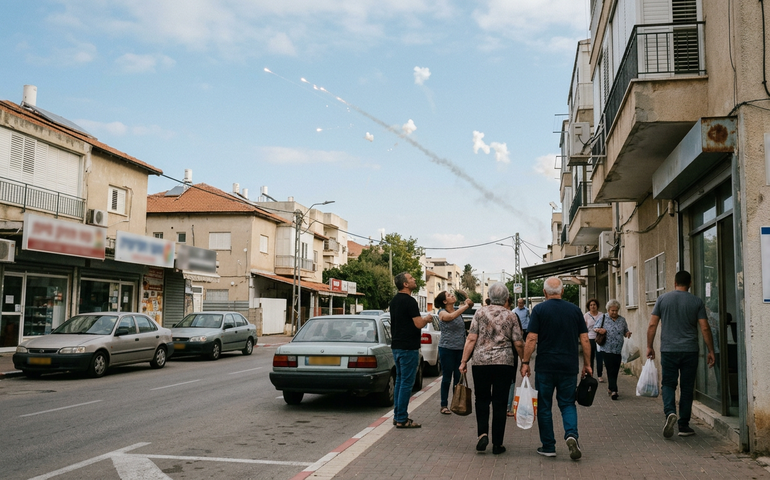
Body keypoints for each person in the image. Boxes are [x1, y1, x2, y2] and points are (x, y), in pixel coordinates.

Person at [521, 276, 591, 460]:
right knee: (567, 403)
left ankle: (548, 446)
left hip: (545, 366)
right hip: (569, 366)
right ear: (562, 291)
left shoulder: (539, 310)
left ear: (544, 292)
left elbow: (531, 338)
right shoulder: (575, 311)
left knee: (544, 406)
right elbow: (584, 339)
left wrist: (525, 362)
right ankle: (571, 435)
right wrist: (588, 364)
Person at [647, 270, 715, 438]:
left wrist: (649, 346)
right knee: (686, 388)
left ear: (674, 282)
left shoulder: (662, 299)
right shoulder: (696, 301)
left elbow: (652, 325)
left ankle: (670, 412)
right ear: (690, 283)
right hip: (690, 350)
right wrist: (711, 350)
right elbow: (705, 327)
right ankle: (683, 425)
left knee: (668, 384)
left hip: (669, 350)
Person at [459, 282, 524, 455]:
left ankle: (482, 434)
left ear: (489, 296)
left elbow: (471, 338)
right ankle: (497, 444)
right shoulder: (511, 315)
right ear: (506, 298)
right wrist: (525, 362)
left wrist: (464, 360)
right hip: (504, 363)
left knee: (481, 399)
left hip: (481, 363)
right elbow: (518, 341)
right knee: (500, 403)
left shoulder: (480, 313)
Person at [390, 272, 435, 429]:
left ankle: (397, 416)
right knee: (406, 384)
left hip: (396, 346)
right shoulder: (410, 301)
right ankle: (402, 418)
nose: (414, 279)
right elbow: (418, 324)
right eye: (411, 279)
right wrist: (427, 319)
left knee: (400, 382)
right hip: (408, 347)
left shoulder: (394, 301)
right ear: (405, 284)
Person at [434, 290, 473, 415]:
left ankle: (457, 403)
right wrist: (466, 306)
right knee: (446, 377)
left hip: (460, 349)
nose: (452, 296)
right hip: (446, 349)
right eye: (449, 296)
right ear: (445, 301)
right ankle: (443, 405)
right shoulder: (442, 312)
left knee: (458, 377)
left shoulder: (457, 309)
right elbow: (449, 317)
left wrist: (466, 297)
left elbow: (470, 304)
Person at [593, 299, 631, 400]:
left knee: (616, 369)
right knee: (610, 369)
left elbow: (625, 330)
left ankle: (610, 387)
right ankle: (614, 390)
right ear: (608, 310)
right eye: (612, 310)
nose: (614, 312)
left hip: (618, 349)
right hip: (606, 348)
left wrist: (627, 333)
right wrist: (600, 330)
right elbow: (595, 327)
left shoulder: (622, 320)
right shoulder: (603, 318)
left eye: (616, 310)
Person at [584, 299, 605, 382]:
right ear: (589, 307)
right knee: (590, 357)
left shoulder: (602, 315)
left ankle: (600, 375)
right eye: (591, 305)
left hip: (599, 339)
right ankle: (590, 374)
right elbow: (584, 328)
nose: (593, 306)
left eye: (594, 305)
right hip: (590, 338)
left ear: (597, 306)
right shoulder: (586, 315)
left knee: (599, 357)